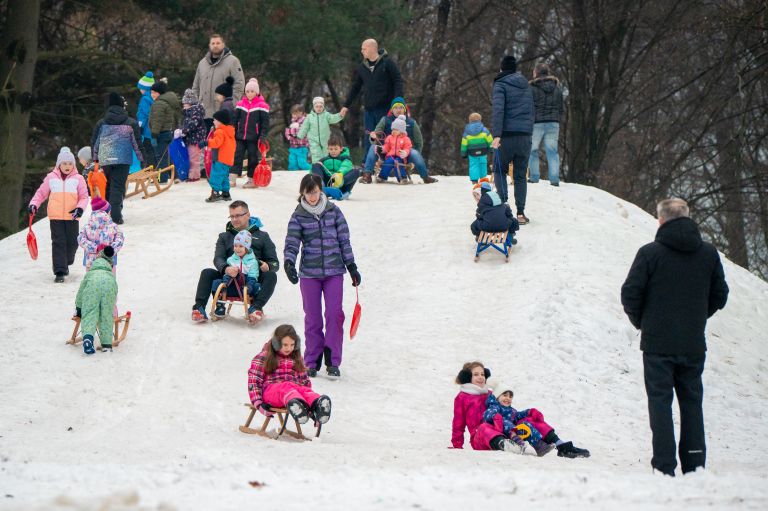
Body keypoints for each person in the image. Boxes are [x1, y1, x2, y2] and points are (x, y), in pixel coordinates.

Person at [621, 198, 729, 476]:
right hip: (692, 342)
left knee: (660, 402)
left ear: (660, 220)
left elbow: (630, 293)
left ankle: (664, 465)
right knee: (692, 401)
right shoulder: (708, 254)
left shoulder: (649, 254)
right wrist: (697, 317)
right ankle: (694, 464)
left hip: (657, 342)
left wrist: (644, 322)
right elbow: (720, 294)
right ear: (688, 216)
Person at [283, 174, 361, 379]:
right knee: (313, 318)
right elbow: (292, 242)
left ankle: (333, 361)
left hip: (334, 271)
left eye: (315, 192)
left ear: (321, 191)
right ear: (302, 193)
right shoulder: (298, 215)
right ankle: (311, 360)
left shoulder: (334, 212)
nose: (312, 197)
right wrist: (289, 262)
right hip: (310, 274)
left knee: (335, 315)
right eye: (308, 193)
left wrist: (351, 266)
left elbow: (344, 240)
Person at [191, 200, 279, 323]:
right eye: (231, 216)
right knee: (207, 272)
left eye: (238, 216)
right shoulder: (224, 236)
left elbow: (274, 263)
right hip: (230, 278)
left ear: (248, 215)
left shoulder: (262, 236)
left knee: (271, 275)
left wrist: (268, 266)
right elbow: (218, 258)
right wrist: (226, 268)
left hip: (253, 278)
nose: (234, 219)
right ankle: (199, 309)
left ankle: (256, 308)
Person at [247, 324, 332, 425]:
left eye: (292, 345)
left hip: (292, 391)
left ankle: (317, 405)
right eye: (285, 345)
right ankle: (296, 403)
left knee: (303, 389)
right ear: (276, 343)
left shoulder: (297, 358)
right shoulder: (263, 357)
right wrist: (258, 403)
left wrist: (311, 411)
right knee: (286, 386)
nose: (289, 348)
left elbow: (305, 382)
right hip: (271, 393)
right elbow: (254, 382)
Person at [28, 147, 89, 283]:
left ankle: (67, 261)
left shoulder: (78, 179)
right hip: (55, 216)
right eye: (64, 163)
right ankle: (60, 271)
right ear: (59, 165)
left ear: (73, 165)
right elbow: (41, 194)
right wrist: (34, 204)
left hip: (72, 216)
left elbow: (84, 197)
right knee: (58, 242)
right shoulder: (51, 178)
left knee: (73, 242)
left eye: (70, 163)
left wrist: (79, 209)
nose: (67, 166)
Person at [483, 384, 591, 457]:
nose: (508, 398)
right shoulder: (494, 406)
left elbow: (517, 415)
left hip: (514, 430)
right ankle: (517, 442)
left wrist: (529, 411)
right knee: (506, 422)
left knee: (526, 424)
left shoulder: (511, 410)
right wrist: (496, 416)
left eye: (510, 396)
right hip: (501, 431)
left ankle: (540, 446)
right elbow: (487, 415)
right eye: (505, 395)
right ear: (497, 396)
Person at [491, 55, 534, 225]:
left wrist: (497, 134)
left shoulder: (500, 84)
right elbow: (531, 110)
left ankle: (503, 208)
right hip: (525, 135)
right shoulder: (526, 85)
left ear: (502, 68)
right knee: (520, 175)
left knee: (499, 170)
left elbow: (498, 110)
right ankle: (521, 214)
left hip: (507, 135)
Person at [341, 39, 404, 155]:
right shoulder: (362, 67)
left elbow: (397, 80)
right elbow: (356, 87)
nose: (362, 51)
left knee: (385, 136)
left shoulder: (387, 63)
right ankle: (367, 162)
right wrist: (346, 105)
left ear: (372, 48)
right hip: (369, 109)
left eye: (364, 49)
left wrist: (398, 101)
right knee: (369, 137)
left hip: (385, 107)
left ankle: (387, 161)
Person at [91, 92, 143, 224]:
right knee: (118, 186)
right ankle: (115, 215)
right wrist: (142, 159)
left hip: (106, 159)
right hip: (123, 160)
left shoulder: (101, 123)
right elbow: (137, 144)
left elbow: (95, 142)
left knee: (108, 185)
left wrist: (95, 159)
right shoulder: (131, 123)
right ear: (121, 106)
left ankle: (107, 213)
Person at [361, 97, 437, 184]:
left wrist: (412, 157)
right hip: (387, 152)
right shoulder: (385, 120)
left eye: (401, 107)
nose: (398, 110)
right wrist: (373, 137)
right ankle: (367, 175)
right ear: (392, 110)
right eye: (396, 108)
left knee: (415, 153)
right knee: (373, 147)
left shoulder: (412, 123)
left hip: (404, 153)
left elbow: (419, 142)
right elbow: (375, 137)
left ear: (404, 109)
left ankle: (425, 177)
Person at [191, 34, 245, 127]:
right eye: (213, 43)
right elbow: (195, 87)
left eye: (218, 43)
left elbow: (239, 85)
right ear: (209, 45)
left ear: (223, 44)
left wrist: (232, 105)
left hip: (222, 115)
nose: (215, 45)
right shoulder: (202, 63)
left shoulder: (233, 61)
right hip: (203, 114)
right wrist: (196, 105)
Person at [75, 245, 118, 355]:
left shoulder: (90, 273)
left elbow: (81, 292)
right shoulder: (111, 276)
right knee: (106, 315)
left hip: (93, 288)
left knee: (90, 312)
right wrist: (112, 303)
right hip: (109, 286)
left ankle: (88, 338)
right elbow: (115, 290)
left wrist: (79, 308)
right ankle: (107, 345)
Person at [528, 62, 564, 186]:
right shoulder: (557, 88)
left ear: (536, 73)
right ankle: (554, 179)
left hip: (536, 123)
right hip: (553, 123)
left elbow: (528, 107)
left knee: (532, 150)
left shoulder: (532, 88)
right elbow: (561, 108)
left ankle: (534, 177)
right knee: (552, 151)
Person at [211, 230, 261, 318]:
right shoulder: (231, 260)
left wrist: (249, 285)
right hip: (229, 287)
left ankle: (254, 309)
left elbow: (253, 276)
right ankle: (220, 307)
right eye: (235, 246)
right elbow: (227, 275)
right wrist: (225, 283)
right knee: (216, 282)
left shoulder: (253, 262)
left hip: (245, 289)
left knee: (257, 286)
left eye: (241, 246)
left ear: (247, 248)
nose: (237, 248)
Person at [232, 77, 270, 188]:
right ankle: (232, 178)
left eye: (252, 91)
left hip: (254, 138)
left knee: (253, 158)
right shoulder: (240, 104)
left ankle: (252, 180)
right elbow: (235, 119)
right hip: (240, 136)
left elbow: (265, 123)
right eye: (247, 91)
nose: (249, 93)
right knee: (237, 155)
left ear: (257, 92)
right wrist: (233, 132)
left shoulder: (262, 106)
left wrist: (262, 136)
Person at [450, 361, 496, 450]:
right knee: (483, 427)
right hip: (479, 438)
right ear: (467, 377)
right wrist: (457, 444)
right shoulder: (462, 397)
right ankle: (502, 443)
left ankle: (516, 442)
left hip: (497, 431)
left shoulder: (490, 394)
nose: (480, 377)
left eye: (482, 374)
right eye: (476, 374)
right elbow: (458, 424)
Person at [77, 197, 124, 271]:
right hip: (109, 262)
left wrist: (95, 248)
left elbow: (81, 239)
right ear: (106, 212)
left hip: (91, 262)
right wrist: (110, 249)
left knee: (91, 278)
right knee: (109, 277)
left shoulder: (87, 227)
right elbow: (120, 238)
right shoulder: (114, 226)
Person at [309, 135, 360, 200]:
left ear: (341, 149)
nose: (333, 151)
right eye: (331, 149)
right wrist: (311, 179)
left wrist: (339, 174)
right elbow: (314, 170)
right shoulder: (324, 160)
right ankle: (320, 184)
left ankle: (340, 184)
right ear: (328, 149)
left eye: (336, 149)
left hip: (341, 184)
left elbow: (346, 166)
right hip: (326, 183)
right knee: (316, 165)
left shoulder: (345, 158)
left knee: (356, 171)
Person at [297, 96, 344, 163]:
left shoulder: (326, 115)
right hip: (313, 140)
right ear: (314, 107)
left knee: (326, 153)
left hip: (325, 139)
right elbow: (304, 127)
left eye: (321, 107)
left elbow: (333, 118)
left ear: (323, 107)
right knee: (316, 154)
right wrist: (300, 135)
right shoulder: (309, 117)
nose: (319, 108)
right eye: (317, 106)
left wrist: (340, 115)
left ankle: (326, 165)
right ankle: (317, 166)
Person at [203, 109, 236, 203]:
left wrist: (206, 142)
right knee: (224, 176)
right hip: (227, 159)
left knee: (216, 175)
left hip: (220, 158)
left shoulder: (220, 131)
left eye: (215, 120)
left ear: (220, 121)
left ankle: (215, 193)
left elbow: (216, 143)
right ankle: (226, 193)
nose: (213, 122)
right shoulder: (229, 131)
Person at [149, 80, 181, 175]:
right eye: (151, 92)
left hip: (161, 134)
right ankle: (174, 175)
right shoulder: (167, 102)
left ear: (159, 92)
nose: (152, 95)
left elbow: (157, 120)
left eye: (154, 92)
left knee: (160, 157)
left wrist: (154, 135)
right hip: (168, 132)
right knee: (167, 156)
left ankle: (163, 177)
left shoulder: (159, 103)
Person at [180, 89, 207, 181]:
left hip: (195, 139)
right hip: (190, 139)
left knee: (194, 158)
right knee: (190, 157)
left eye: (185, 103)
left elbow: (193, 124)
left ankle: (194, 176)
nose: (184, 105)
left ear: (190, 103)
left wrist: (184, 131)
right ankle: (190, 174)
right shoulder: (188, 112)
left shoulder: (196, 111)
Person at [377, 115, 412, 183]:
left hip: (400, 157)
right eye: (393, 129)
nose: (394, 131)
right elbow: (387, 146)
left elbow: (407, 147)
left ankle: (402, 178)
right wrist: (383, 149)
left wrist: (405, 152)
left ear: (401, 130)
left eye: (396, 129)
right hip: (391, 155)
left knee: (398, 163)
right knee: (388, 162)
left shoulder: (406, 139)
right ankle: (382, 177)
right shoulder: (390, 137)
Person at [461, 112, 493, 183]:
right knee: (483, 164)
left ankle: (474, 180)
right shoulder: (485, 130)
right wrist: (492, 149)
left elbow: (464, 144)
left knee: (473, 165)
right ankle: (483, 178)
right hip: (483, 151)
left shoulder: (467, 132)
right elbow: (490, 141)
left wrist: (463, 153)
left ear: (470, 120)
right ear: (480, 120)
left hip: (472, 152)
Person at [136, 71, 157, 167]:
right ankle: (156, 169)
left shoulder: (144, 99)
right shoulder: (153, 97)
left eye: (141, 88)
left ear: (145, 88)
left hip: (147, 130)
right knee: (154, 151)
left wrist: (140, 126)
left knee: (147, 150)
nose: (140, 90)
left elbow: (144, 114)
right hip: (153, 128)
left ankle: (149, 170)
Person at [285, 104, 311, 171]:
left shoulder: (305, 120)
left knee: (302, 163)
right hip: (293, 146)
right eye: (292, 114)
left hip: (302, 146)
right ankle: (293, 174)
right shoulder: (293, 121)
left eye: (295, 113)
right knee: (292, 163)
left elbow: (302, 131)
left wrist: (293, 131)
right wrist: (289, 135)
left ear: (301, 113)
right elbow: (288, 132)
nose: (293, 115)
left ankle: (313, 170)